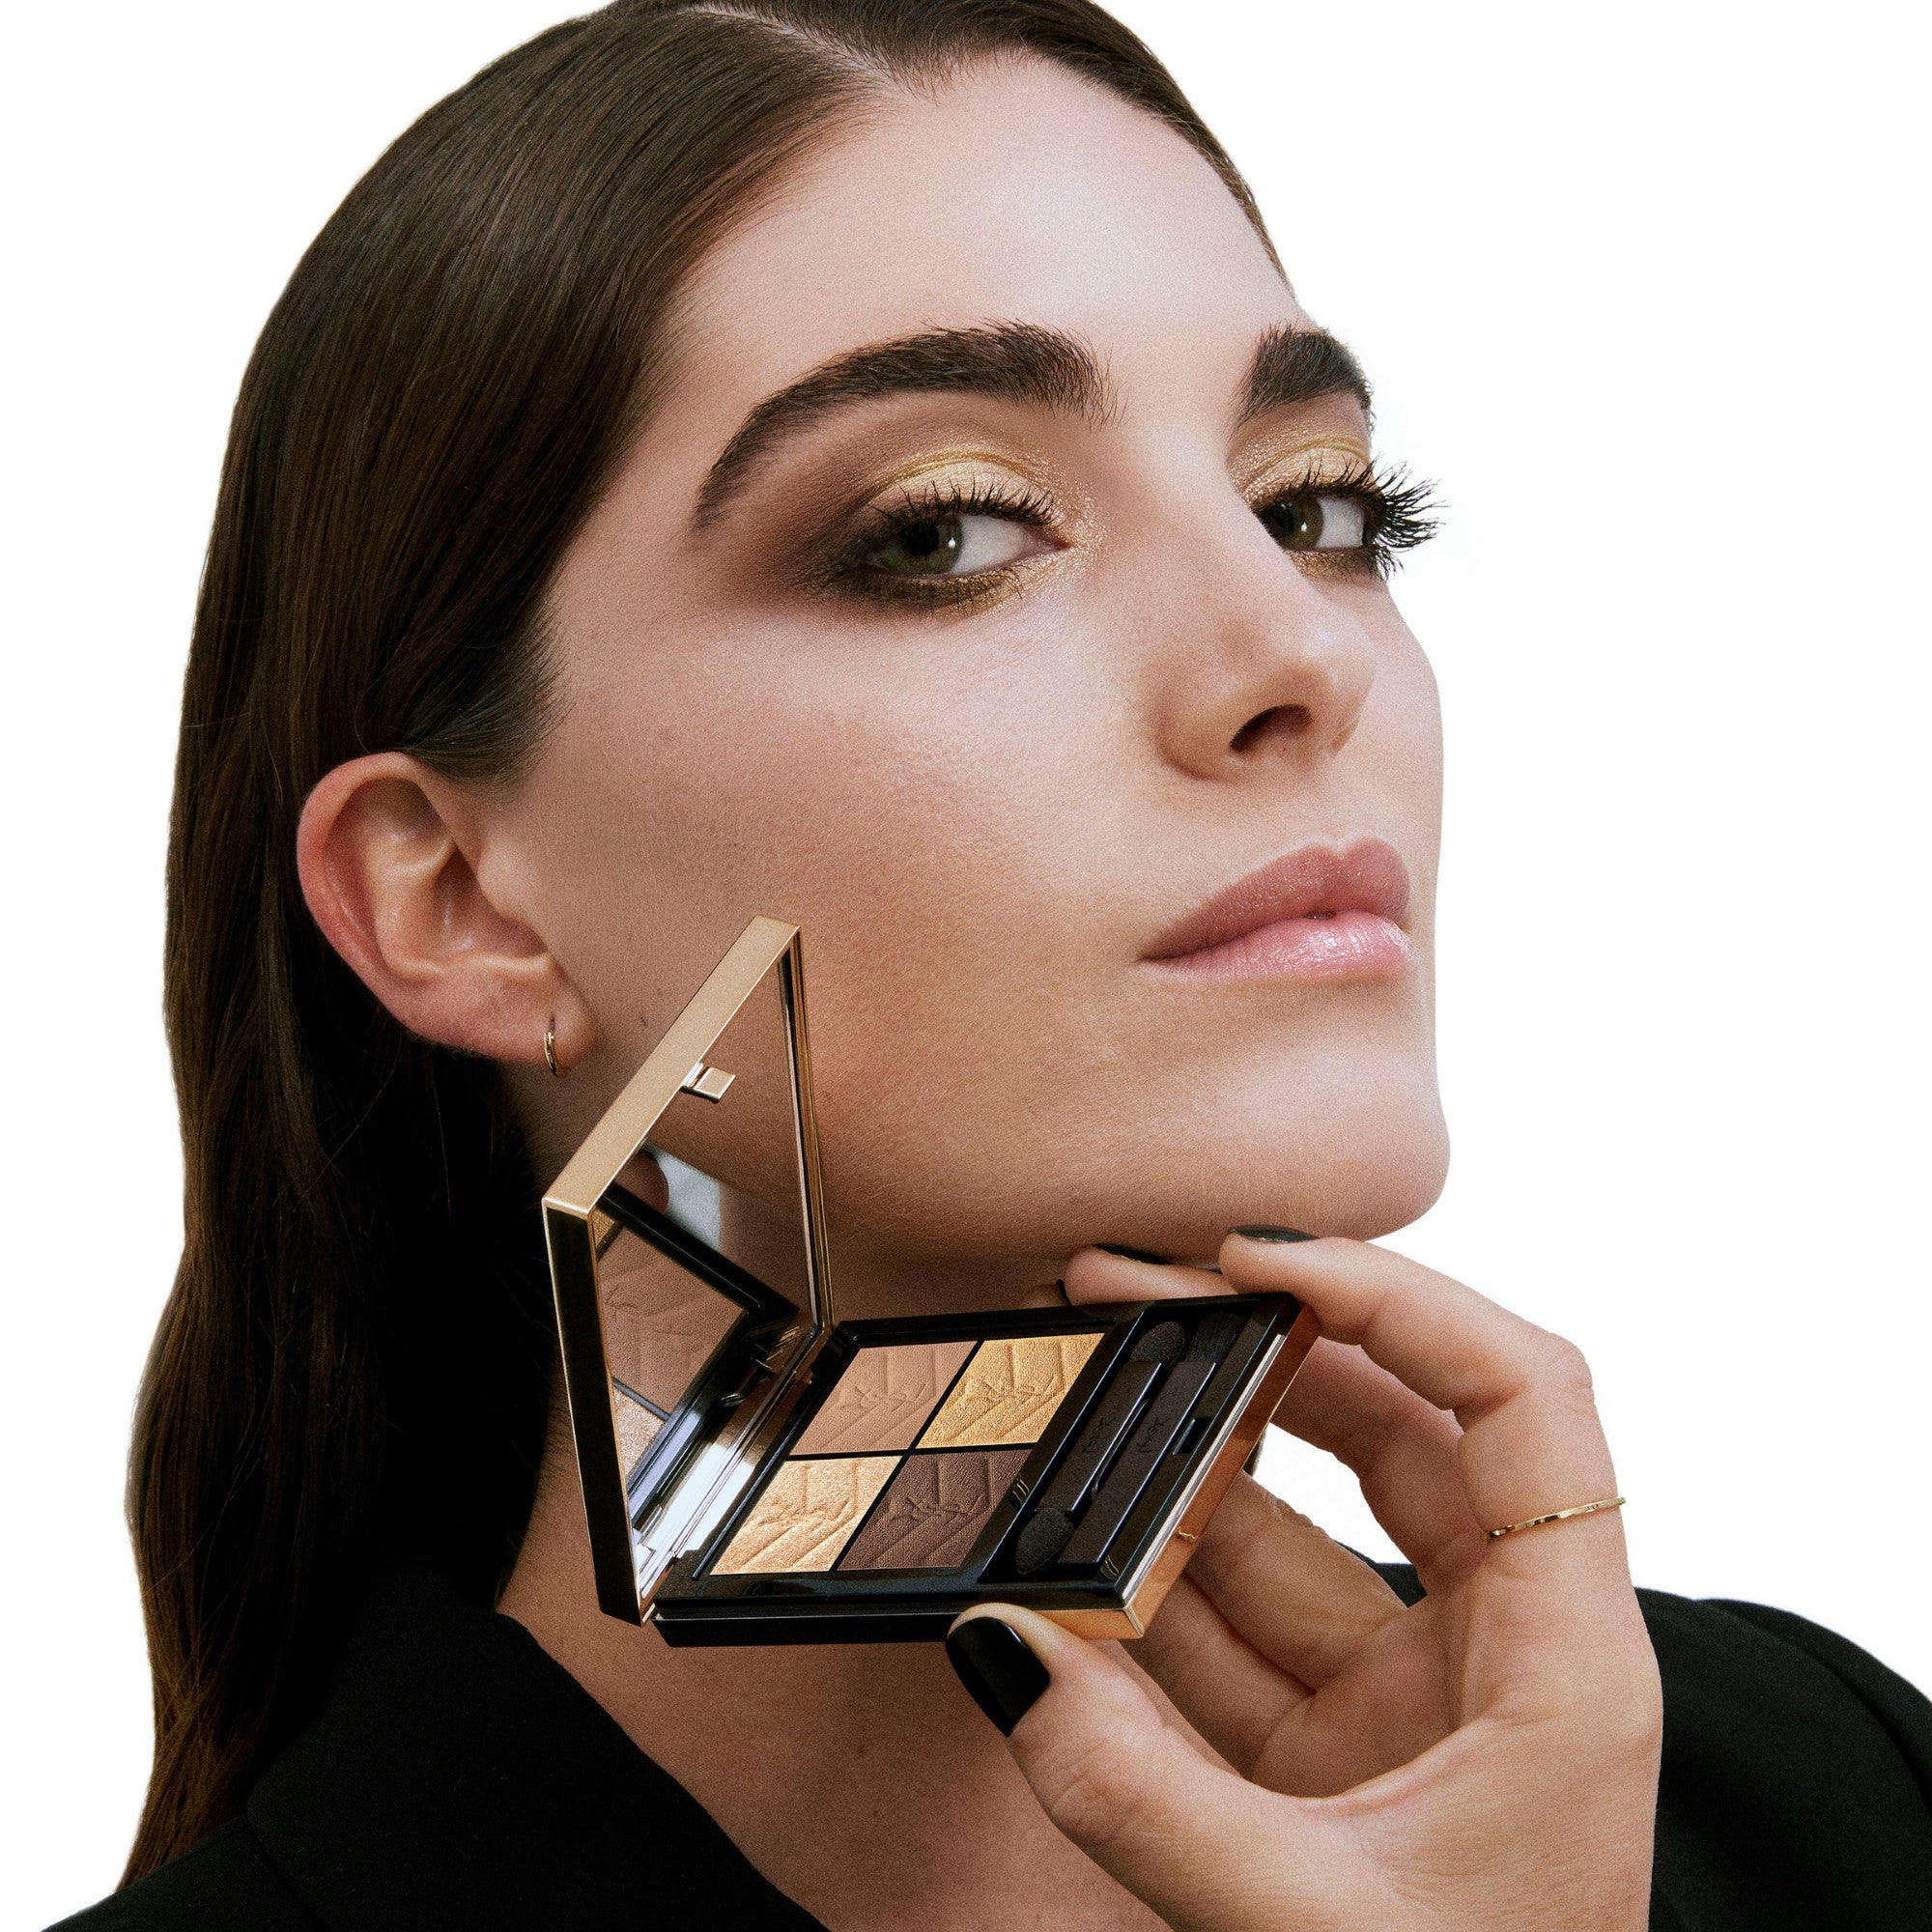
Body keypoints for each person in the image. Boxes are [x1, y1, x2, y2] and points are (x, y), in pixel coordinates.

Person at [60, 2, 1931, 1927]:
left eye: (1314, 508)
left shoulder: (1832, 1804)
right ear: (459, 901)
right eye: (948, 533)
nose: (1300, 653)